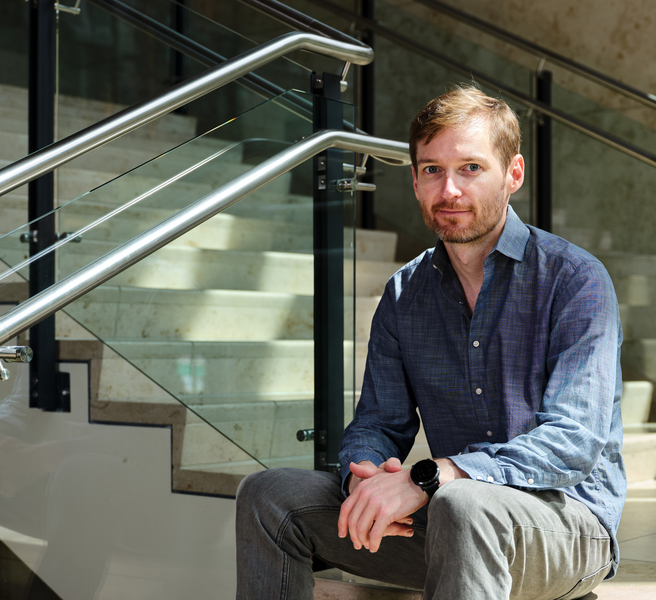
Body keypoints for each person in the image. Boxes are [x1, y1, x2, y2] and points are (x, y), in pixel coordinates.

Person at [235, 85, 626, 600]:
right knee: (268, 497)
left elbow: (574, 441)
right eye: (431, 170)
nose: (449, 191)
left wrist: (433, 477)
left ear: (513, 174)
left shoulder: (574, 280)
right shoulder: (405, 293)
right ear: (415, 180)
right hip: (444, 522)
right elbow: (379, 421)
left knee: (462, 503)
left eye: (470, 168)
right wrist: (366, 479)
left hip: (564, 526)